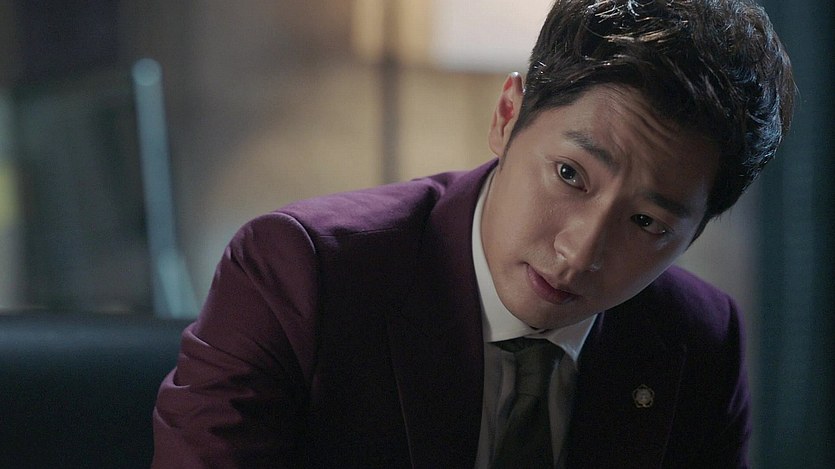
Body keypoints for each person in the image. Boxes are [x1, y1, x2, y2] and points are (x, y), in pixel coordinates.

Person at [152, 0, 795, 467]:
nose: (579, 253)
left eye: (647, 222)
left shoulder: (697, 340)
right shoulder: (299, 273)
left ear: (693, 234)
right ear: (508, 115)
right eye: (570, 175)